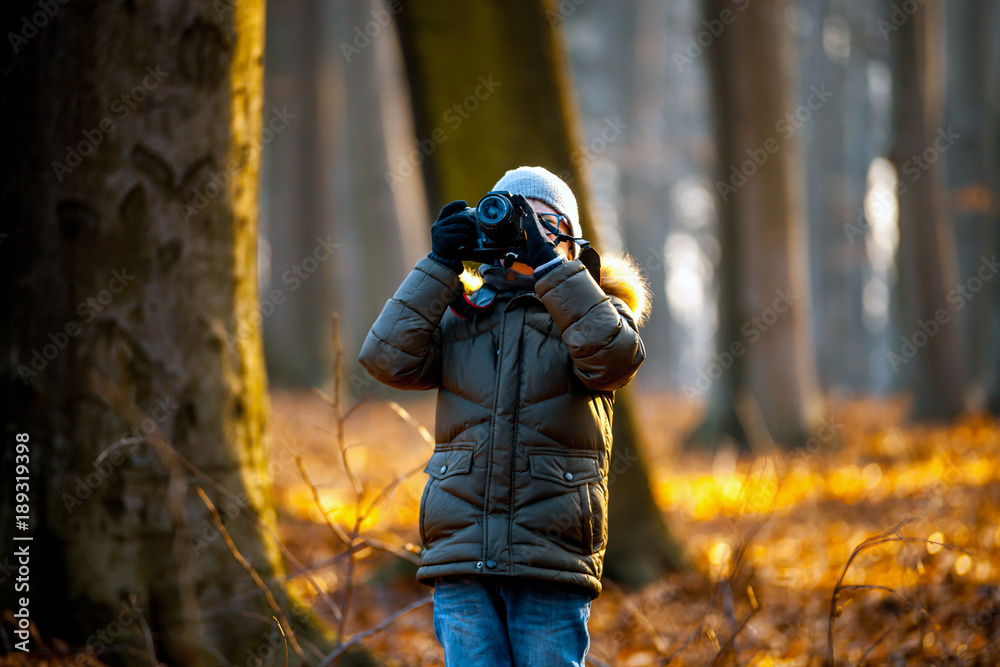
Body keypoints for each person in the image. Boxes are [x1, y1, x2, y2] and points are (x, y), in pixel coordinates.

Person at [358, 166, 649, 666]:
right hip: (461, 550)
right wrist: (439, 265)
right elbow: (385, 358)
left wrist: (548, 266)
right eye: (510, 216)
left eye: (540, 222)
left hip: (549, 551)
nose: (523, 232)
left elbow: (614, 357)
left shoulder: (596, 312)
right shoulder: (460, 314)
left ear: (570, 239)